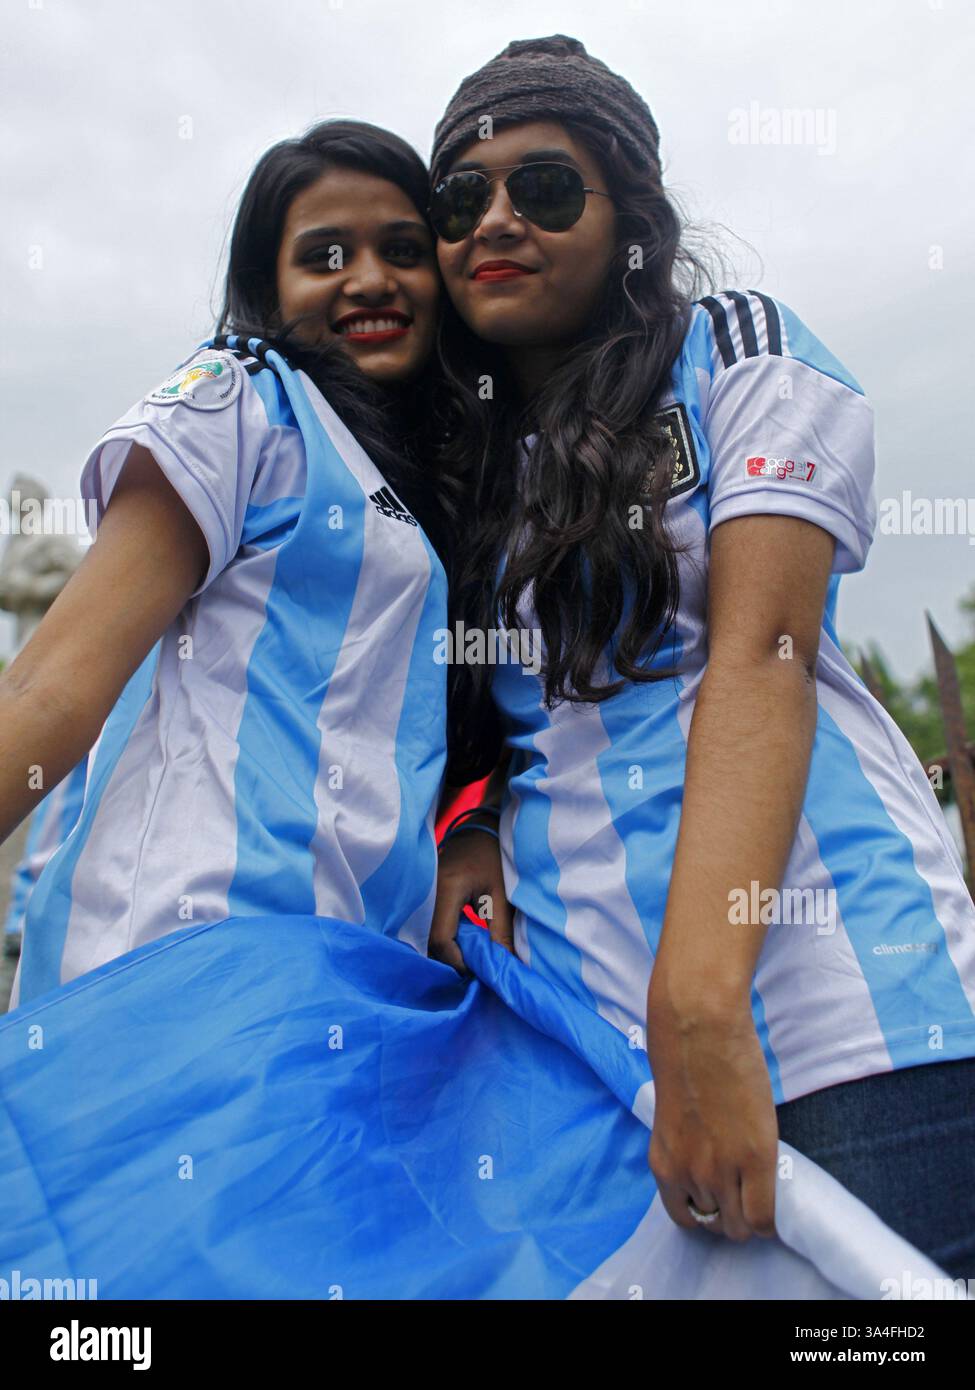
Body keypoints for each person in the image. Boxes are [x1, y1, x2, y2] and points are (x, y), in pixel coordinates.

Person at [426, 35, 975, 1279]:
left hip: (841, 1029)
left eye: (545, 187)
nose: (494, 219)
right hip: (593, 1078)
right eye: (461, 198)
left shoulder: (733, 345)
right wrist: (468, 825)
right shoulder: (457, 471)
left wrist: (703, 1005)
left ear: (631, 211)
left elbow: (764, 652)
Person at [0, 119, 456, 1008]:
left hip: (349, 975)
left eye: (402, 249)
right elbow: (47, 689)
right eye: (324, 255)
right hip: (188, 960)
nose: (369, 279)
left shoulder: (415, 482)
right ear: (267, 286)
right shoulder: (237, 397)